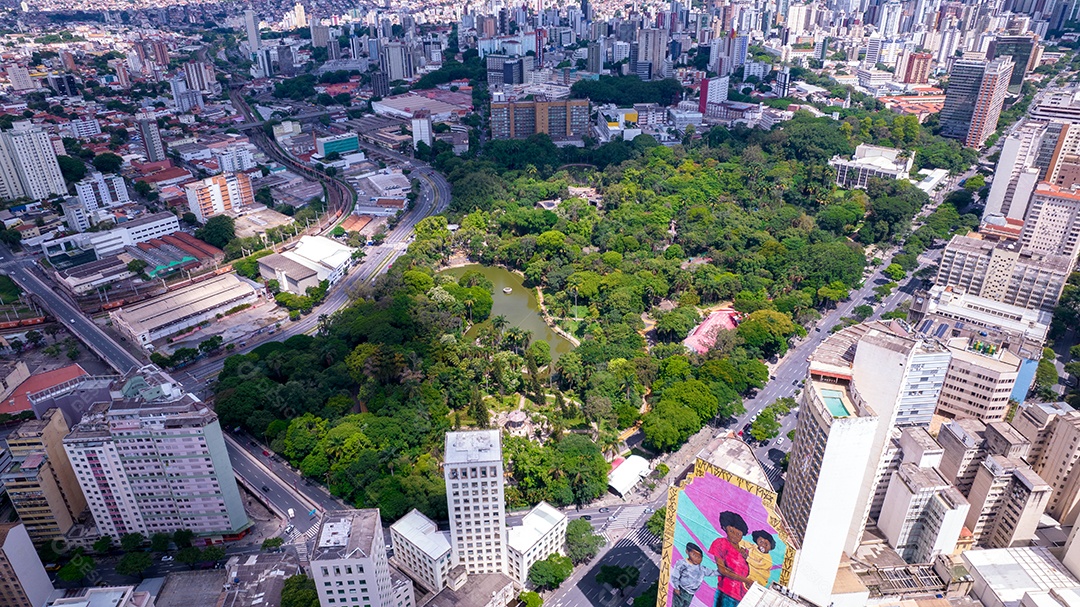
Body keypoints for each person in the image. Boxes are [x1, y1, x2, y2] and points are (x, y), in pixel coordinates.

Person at [708, 511, 754, 607]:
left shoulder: (743, 552)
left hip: (741, 596)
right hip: (727, 593)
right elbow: (722, 570)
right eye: (731, 531)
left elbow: (746, 572)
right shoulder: (720, 543)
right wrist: (746, 580)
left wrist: (747, 559)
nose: (734, 536)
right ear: (725, 528)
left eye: (738, 534)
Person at [671, 542, 716, 607]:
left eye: (699, 557)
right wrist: (676, 587)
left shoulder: (701, 569)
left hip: (690, 594)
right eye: (694, 555)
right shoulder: (682, 563)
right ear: (687, 552)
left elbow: (712, 572)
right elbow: (675, 576)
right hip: (681, 590)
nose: (697, 558)